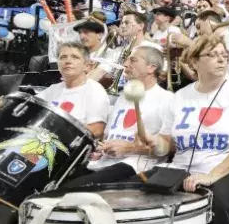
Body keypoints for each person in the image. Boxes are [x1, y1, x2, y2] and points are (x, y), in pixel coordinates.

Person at [138, 34, 229, 224]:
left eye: (224, 55)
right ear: (193, 62)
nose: (221, 60)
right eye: (212, 55)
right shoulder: (180, 97)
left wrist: (211, 176)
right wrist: (154, 143)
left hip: (224, 170)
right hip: (180, 168)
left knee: (218, 204)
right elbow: (167, 144)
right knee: (137, 192)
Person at [64, 46, 173, 187]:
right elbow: (109, 135)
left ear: (151, 68)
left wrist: (129, 148)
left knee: (71, 188)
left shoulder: (167, 99)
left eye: (133, 60)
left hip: (135, 165)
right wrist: (100, 148)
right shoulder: (123, 96)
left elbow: (170, 146)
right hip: (103, 161)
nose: (126, 64)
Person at [0, 42, 109, 138]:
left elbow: (97, 129)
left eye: (75, 57)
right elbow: (12, 104)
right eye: (63, 57)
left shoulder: (94, 90)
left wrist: (56, 134)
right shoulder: (54, 90)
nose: (68, 61)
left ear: (87, 66)